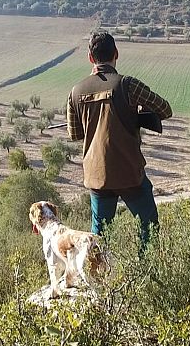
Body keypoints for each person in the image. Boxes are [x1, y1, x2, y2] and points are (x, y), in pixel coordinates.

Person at [67, 31, 172, 245]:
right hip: (129, 174)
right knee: (149, 227)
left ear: (90, 58)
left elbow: (75, 135)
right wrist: (138, 112)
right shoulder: (128, 85)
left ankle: (100, 276)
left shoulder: (75, 92)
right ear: (116, 53)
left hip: (97, 176)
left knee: (99, 237)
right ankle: (148, 270)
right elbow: (164, 109)